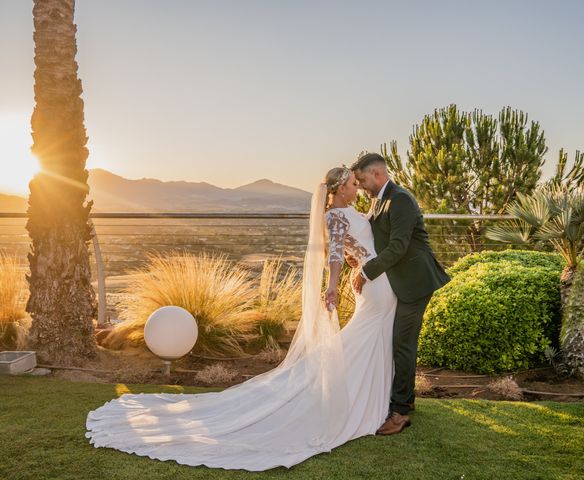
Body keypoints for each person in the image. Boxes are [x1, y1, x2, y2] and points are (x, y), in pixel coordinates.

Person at [86, 166, 398, 471]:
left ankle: (369, 401)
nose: (358, 187)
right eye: (353, 184)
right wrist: (331, 286)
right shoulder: (335, 216)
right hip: (375, 283)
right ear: (340, 188)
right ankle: (356, 404)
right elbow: (335, 255)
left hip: (373, 277)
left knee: (367, 339)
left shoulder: (348, 212)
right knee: (364, 339)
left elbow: (359, 242)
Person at [351, 153, 450, 435]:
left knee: (402, 344)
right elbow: (378, 238)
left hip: (415, 282)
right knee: (399, 343)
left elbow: (398, 247)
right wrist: (355, 257)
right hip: (400, 281)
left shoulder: (400, 199)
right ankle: (406, 400)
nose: (359, 185)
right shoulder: (380, 199)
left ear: (377, 174)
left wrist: (366, 271)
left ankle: (400, 412)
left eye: (362, 179)